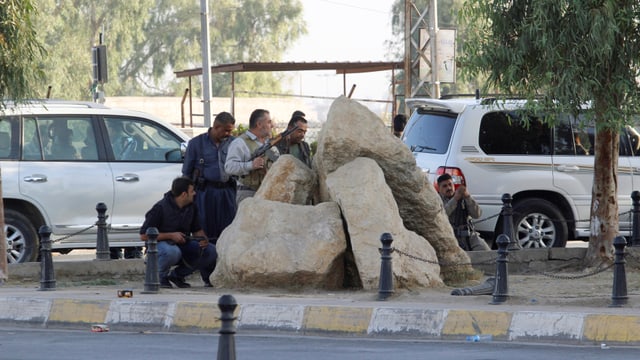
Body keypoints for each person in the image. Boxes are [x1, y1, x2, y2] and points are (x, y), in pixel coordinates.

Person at [139, 176, 218, 288]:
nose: (195, 193)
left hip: (183, 244)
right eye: (192, 191)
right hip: (161, 246)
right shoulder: (160, 208)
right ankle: (159, 277)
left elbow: (197, 230)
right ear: (184, 194)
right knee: (172, 252)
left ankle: (177, 276)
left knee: (210, 251)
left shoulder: (191, 207)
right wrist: (171, 235)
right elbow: (143, 236)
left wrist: (203, 239)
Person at [182, 112, 237, 244]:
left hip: (227, 192)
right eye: (226, 130)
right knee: (205, 231)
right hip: (204, 194)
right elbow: (186, 173)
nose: (228, 134)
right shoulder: (196, 143)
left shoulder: (234, 143)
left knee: (229, 230)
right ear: (216, 127)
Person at [225, 109, 277, 205]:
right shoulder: (240, 143)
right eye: (269, 122)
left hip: (265, 193)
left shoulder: (267, 143)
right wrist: (251, 165)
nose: (272, 125)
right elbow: (229, 167)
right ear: (259, 124)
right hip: (247, 194)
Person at [437, 174, 490, 251]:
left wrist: (468, 197)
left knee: (485, 251)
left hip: (469, 235)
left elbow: (477, 214)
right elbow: (442, 216)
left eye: (450, 184)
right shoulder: (437, 200)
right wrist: (455, 200)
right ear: (439, 188)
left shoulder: (462, 196)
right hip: (449, 236)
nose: (448, 188)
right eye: (444, 186)